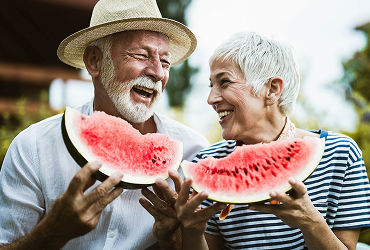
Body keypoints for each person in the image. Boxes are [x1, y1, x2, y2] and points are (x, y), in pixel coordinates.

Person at [0, 0, 209, 249]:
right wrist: (52, 231)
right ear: (94, 61)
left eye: (165, 62)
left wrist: (173, 240)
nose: (158, 72)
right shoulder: (33, 147)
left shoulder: (194, 153)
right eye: (141, 55)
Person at [141, 31, 370, 249]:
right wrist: (192, 230)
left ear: (272, 89)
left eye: (225, 82)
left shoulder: (340, 154)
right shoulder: (208, 163)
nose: (211, 98)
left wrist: (311, 222)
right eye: (212, 85)